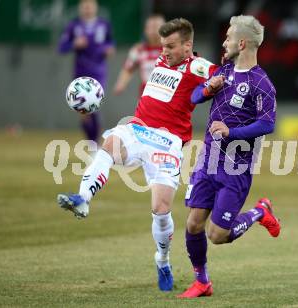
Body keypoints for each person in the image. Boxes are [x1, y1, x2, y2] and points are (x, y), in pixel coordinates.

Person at [57, 18, 217, 292]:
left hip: (167, 142)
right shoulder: (160, 59)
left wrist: (209, 87)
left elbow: (220, 77)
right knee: (109, 146)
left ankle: (163, 259)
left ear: (188, 45)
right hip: (138, 128)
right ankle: (83, 198)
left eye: (170, 46)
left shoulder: (198, 66)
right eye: (163, 45)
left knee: (161, 209)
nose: (163, 51)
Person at [178, 15, 281, 298]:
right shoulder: (224, 70)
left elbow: (267, 124)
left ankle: (260, 212)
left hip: (236, 168)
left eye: (228, 37)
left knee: (218, 235)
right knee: (193, 223)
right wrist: (209, 88)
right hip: (208, 160)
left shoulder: (262, 83)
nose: (224, 42)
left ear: (242, 42)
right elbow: (194, 98)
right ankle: (202, 282)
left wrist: (230, 131)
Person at [58, 0, 115, 143]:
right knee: (82, 110)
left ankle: (95, 144)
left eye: (90, 6)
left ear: (96, 8)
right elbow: (62, 47)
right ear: (80, 8)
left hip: (98, 72)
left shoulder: (104, 25)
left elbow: (110, 42)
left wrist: (109, 49)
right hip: (81, 72)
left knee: (93, 106)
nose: (88, 9)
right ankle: (92, 143)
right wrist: (74, 44)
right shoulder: (74, 26)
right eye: (85, 7)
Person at [113, 15, 165, 97]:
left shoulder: (170, 49)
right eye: (151, 27)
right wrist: (121, 83)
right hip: (145, 96)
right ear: (145, 30)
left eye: (157, 26)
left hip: (166, 96)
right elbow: (128, 69)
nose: (154, 30)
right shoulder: (138, 50)